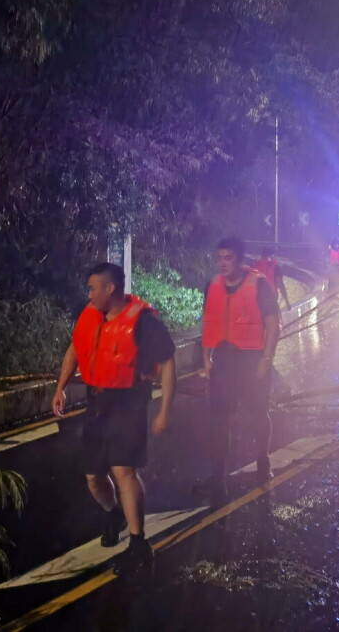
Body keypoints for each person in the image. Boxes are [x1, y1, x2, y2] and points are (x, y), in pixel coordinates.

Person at [51, 263, 176, 572]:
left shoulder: (142, 321)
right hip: (97, 403)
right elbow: (75, 349)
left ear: (110, 288)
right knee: (93, 477)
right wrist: (60, 387)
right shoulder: (91, 313)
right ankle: (112, 513)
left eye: (93, 288)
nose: (89, 294)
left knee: (124, 472)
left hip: (128, 404)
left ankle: (138, 544)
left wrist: (164, 410)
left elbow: (168, 362)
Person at [200, 236, 280, 501]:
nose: (222, 263)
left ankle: (262, 460)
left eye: (228, 258)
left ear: (240, 259)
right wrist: (206, 358)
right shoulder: (212, 285)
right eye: (219, 257)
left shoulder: (259, 286)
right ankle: (217, 476)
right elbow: (209, 322)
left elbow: (273, 326)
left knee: (258, 414)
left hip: (252, 360)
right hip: (224, 360)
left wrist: (265, 361)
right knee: (219, 419)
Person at [252, 246, 292, 311]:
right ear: (270, 256)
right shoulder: (275, 266)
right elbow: (280, 284)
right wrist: (287, 302)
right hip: (271, 297)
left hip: (257, 298)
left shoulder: (255, 265)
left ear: (262, 255)